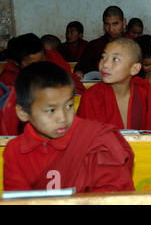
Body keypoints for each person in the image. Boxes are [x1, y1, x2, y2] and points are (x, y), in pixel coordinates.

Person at [2, 61, 135, 192]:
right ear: (23, 113)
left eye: (69, 106)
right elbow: (18, 200)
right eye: (51, 110)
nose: (63, 118)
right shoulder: (16, 151)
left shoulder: (96, 140)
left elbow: (113, 196)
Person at [0, 33, 86, 136]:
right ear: (17, 63)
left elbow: (76, 85)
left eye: (42, 60)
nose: (39, 66)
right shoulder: (8, 78)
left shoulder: (53, 58)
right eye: (32, 64)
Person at [77, 38, 151, 131]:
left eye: (115, 59)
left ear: (134, 69)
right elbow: (83, 139)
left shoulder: (148, 95)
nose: (105, 64)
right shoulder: (91, 97)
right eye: (103, 57)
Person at [74, 6, 127, 79]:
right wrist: (78, 72)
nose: (111, 29)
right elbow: (79, 68)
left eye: (115, 24)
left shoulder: (132, 45)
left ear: (124, 22)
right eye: (107, 24)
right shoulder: (95, 45)